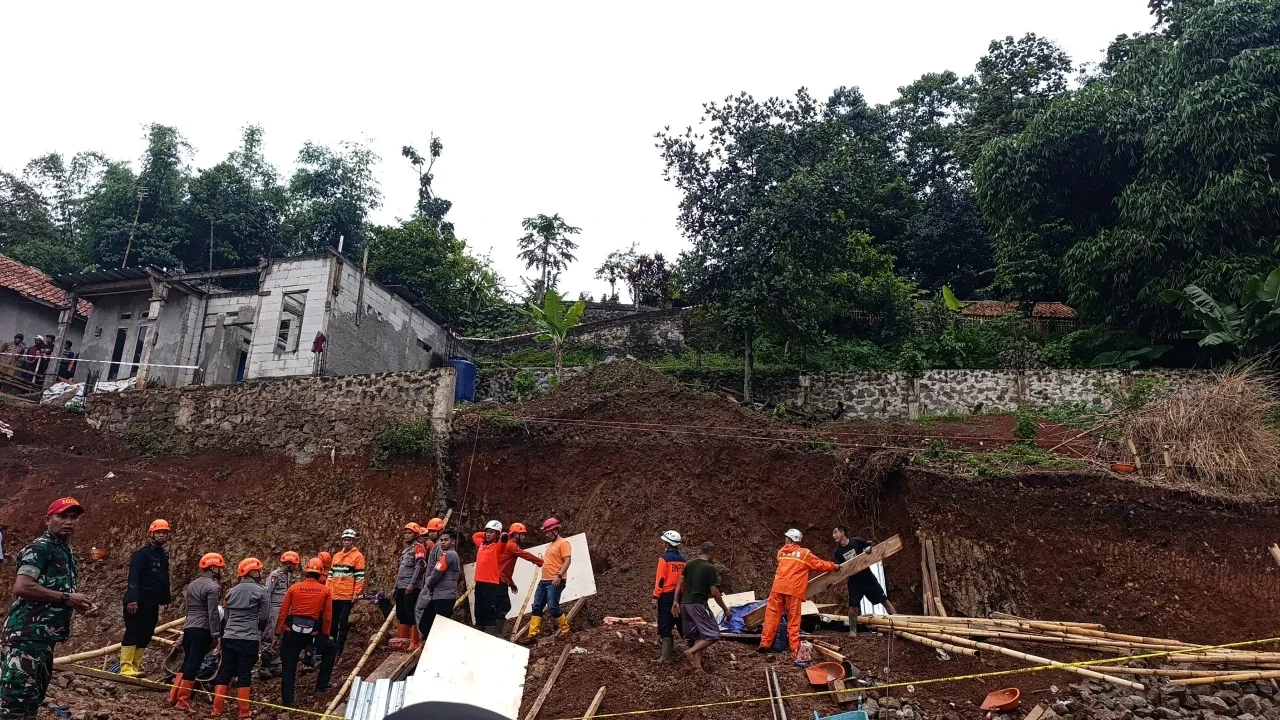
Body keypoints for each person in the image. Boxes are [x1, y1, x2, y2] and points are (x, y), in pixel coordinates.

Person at [0, 498, 99, 720]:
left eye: (73, 517)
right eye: (62, 516)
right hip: (25, 635)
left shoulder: (66, 551)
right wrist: (66, 598)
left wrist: (80, 605)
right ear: (48, 520)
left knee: (33, 699)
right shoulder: (39, 548)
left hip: (44, 638)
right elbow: (22, 587)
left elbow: (57, 593)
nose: (68, 522)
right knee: (14, 701)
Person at [758, 529, 837, 664]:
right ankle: (794, 646)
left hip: (777, 588)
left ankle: (765, 644)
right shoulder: (804, 554)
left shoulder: (781, 552)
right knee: (793, 619)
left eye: (786, 538)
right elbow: (820, 564)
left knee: (771, 617)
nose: (785, 540)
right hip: (793, 590)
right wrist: (833, 566)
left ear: (789, 539)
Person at [211, 558, 269, 719]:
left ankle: (216, 709)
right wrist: (258, 628)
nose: (260, 573)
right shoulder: (261, 591)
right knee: (244, 672)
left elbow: (226, 615)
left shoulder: (231, 591)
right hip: (248, 637)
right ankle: (243, 712)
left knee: (225, 670)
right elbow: (265, 616)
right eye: (258, 570)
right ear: (253, 572)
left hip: (230, 636)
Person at [274, 558, 336, 707]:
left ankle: (287, 700)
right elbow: (327, 616)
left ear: (306, 572)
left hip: (291, 632)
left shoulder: (294, 588)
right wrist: (326, 635)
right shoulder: (325, 591)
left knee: (289, 665)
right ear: (321, 574)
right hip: (312, 634)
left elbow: (283, 612)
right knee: (331, 650)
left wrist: (277, 633)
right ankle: (321, 686)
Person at [170, 552, 225, 713]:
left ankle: (173, 696)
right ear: (214, 568)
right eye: (220, 568)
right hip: (202, 628)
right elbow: (212, 612)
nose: (221, 571)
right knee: (194, 663)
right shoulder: (212, 587)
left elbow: (187, 609)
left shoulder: (192, 585)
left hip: (189, 626)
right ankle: (183, 701)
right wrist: (216, 634)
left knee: (187, 660)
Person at [120, 519, 172, 678]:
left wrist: (166, 598)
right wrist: (132, 599)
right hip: (137, 601)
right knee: (133, 631)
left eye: (164, 533)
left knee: (147, 632)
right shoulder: (141, 555)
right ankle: (126, 666)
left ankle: (135, 665)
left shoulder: (163, 555)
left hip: (152, 602)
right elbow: (133, 578)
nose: (162, 536)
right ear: (151, 534)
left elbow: (164, 578)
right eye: (159, 533)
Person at [671, 542, 729, 672]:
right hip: (697, 604)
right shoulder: (709, 568)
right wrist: (725, 609)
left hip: (685, 604)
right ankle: (690, 652)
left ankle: (698, 668)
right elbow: (714, 592)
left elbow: (680, 581)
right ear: (712, 553)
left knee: (699, 636)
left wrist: (675, 601)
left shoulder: (690, 564)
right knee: (712, 634)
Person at [833, 526, 895, 636]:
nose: (834, 536)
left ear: (842, 533)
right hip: (854, 582)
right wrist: (836, 567)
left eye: (835, 533)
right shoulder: (838, 552)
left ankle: (897, 624)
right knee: (853, 606)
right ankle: (853, 630)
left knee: (884, 599)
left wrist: (869, 548)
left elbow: (872, 544)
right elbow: (837, 567)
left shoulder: (856, 541)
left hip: (867, 577)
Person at [526, 518, 572, 641]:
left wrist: (559, 575)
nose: (546, 534)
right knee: (537, 606)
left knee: (552, 607)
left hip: (555, 580)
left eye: (548, 532)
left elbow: (567, 560)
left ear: (555, 530)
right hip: (544, 581)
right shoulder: (551, 545)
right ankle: (533, 634)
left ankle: (565, 629)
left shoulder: (563, 543)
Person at [259, 551, 299, 679]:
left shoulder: (287, 576)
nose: (296, 567)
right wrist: (268, 611)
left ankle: (274, 664)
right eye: (294, 565)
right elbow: (267, 593)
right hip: (274, 609)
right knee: (270, 637)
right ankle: (264, 666)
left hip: (283, 610)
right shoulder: (275, 575)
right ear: (288, 564)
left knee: (279, 637)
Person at [417, 530, 460, 640]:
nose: (442, 542)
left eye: (446, 540)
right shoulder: (448, 555)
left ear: (453, 542)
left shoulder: (449, 555)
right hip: (439, 595)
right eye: (441, 540)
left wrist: (429, 584)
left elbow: (437, 572)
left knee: (435, 627)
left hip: (444, 596)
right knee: (427, 625)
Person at [327, 529, 365, 655]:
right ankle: (331, 645)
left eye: (349, 540)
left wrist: (356, 593)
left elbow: (359, 577)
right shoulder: (336, 556)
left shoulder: (358, 557)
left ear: (353, 541)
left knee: (343, 621)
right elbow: (330, 575)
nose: (347, 542)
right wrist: (327, 591)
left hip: (347, 595)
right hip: (334, 594)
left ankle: (340, 647)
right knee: (332, 621)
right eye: (345, 540)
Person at [497, 523, 543, 623]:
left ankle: (494, 631)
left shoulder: (510, 545)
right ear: (515, 535)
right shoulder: (511, 545)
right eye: (522, 534)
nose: (524, 537)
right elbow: (524, 554)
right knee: (504, 606)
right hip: (499, 580)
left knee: (499, 606)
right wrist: (541, 562)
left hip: (501, 579)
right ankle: (494, 632)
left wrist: (511, 583)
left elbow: (505, 568)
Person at [653, 530, 686, 663]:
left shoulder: (664, 559)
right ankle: (695, 650)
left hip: (666, 596)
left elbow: (660, 579)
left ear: (667, 544)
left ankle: (666, 656)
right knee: (681, 623)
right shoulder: (683, 560)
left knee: (665, 624)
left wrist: (655, 596)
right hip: (680, 596)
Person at [393, 523, 427, 649]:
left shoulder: (418, 547)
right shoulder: (405, 550)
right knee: (401, 613)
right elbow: (401, 570)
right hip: (401, 585)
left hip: (411, 585)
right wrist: (396, 586)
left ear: (416, 535)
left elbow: (419, 566)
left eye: (409, 533)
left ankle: (414, 642)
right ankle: (402, 640)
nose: (407, 535)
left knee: (411, 612)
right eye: (405, 533)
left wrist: (412, 583)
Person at [471, 521, 507, 637]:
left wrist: (497, 533)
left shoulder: (497, 547)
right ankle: (479, 634)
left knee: (489, 612)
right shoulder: (482, 544)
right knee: (479, 611)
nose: (487, 534)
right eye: (487, 532)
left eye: (491, 533)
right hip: (479, 582)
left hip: (490, 584)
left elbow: (504, 537)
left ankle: (489, 635)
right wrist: (488, 532)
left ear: (497, 534)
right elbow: (475, 535)